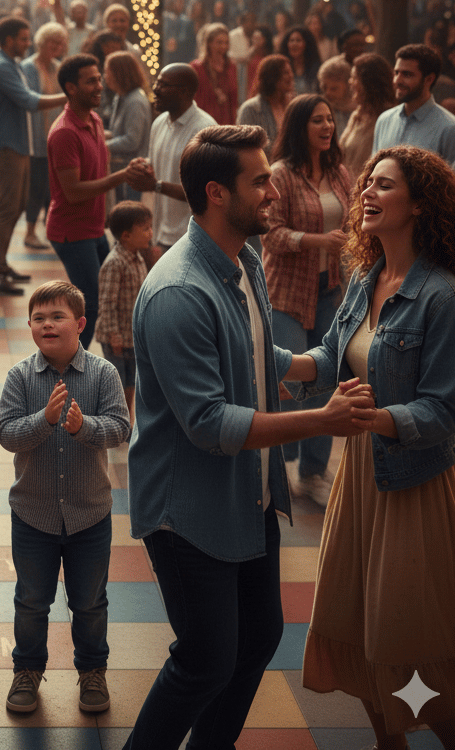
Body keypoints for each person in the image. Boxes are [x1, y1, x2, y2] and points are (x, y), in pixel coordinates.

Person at [122, 123, 376, 750]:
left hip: (248, 492)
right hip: (188, 509)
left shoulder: (245, 259)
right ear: (215, 193)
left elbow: (255, 353)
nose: (271, 192)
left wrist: (313, 363)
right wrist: (322, 420)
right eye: (259, 181)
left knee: (259, 639)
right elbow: (210, 423)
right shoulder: (180, 290)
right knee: (205, 660)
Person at [295, 146, 455, 749]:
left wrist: (372, 418)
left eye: (385, 185)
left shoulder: (443, 297)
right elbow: (330, 356)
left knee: (408, 636)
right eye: (367, 182)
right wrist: (265, 354)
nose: (367, 192)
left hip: (415, 483)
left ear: (420, 205)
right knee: (357, 620)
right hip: (363, 475)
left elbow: (444, 411)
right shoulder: (367, 277)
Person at [0, 280, 130, 716]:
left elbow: (120, 428)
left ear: (80, 324)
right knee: (31, 600)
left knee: (90, 602)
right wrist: (44, 420)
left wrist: (81, 428)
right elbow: (6, 434)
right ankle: (28, 670)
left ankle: (92, 671)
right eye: (39, 317)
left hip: (90, 515)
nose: (48, 324)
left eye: (57, 316)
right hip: (33, 515)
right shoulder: (20, 376)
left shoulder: (103, 374)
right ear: (30, 325)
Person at [262, 94, 353, 507]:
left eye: (330, 119)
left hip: (329, 291)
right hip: (286, 293)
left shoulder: (338, 173)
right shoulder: (279, 174)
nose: (327, 126)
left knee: (323, 381)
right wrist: (318, 240)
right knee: (283, 382)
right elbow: (271, 233)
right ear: (301, 126)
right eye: (318, 120)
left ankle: (312, 472)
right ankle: (271, 470)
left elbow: (353, 224)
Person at [46, 54, 134, 346]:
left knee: (104, 298)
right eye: (91, 81)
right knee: (91, 303)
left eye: (99, 79)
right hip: (72, 232)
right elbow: (73, 192)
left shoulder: (94, 119)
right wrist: (122, 177)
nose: (99, 86)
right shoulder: (64, 133)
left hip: (94, 228)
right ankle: (70, 367)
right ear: (71, 88)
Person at [0, 17, 68, 295]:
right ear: (8, 40)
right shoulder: (0, 68)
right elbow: (29, 101)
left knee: (17, 204)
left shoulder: (11, 64)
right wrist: (69, 96)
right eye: (23, 38)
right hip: (7, 145)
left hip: (17, 143)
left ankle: (1, 264)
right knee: (9, 208)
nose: (27, 43)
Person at [126, 63, 216, 257]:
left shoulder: (204, 129)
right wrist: (143, 167)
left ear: (183, 92)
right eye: (157, 83)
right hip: (161, 233)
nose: (156, 90)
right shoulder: (159, 123)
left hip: (191, 237)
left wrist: (156, 185)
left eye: (164, 85)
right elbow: (161, 165)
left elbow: (205, 191)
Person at [372, 42, 455, 163]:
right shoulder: (384, 120)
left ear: (429, 79)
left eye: (407, 74)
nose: (397, 80)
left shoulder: (450, 130)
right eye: (396, 73)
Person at [96, 201, 151, 415]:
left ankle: (126, 420)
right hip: (116, 337)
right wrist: (113, 334)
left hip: (132, 336)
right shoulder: (114, 263)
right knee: (116, 383)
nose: (150, 233)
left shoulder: (137, 258)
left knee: (130, 382)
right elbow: (107, 303)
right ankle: (114, 418)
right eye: (145, 229)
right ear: (126, 236)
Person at [22, 21, 67, 248]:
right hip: (35, 135)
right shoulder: (28, 67)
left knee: (52, 186)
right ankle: (30, 231)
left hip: (54, 134)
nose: (56, 46)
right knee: (36, 186)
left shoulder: (58, 67)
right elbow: (29, 99)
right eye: (52, 41)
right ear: (41, 42)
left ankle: (50, 228)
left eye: (60, 43)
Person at [102, 50, 152, 203]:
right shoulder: (121, 96)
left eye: (107, 72)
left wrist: (102, 146)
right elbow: (118, 133)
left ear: (119, 74)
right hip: (120, 169)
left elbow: (131, 140)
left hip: (132, 172)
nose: (105, 77)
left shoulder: (135, 101)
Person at [338, 52, 394, 180]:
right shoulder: (357, 115)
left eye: (354, 78)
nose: (350, 82)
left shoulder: (387, 118)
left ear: (368, 83)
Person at [235, 54, 294, 153]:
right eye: (285, 73)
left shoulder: (291, 106)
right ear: (272, 77)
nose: (291, 76)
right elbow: (244, 149)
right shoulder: (251, 109)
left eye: (291, 72)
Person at [192, 23, 238, 125]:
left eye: (226, 42)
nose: (224, 46)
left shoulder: (231, 66)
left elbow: (234, 102)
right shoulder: (197, 68)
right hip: (203, 125)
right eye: (219, 42)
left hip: (226, 125)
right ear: (209, 43)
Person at [278, 25, 322, 95]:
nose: (294, 44)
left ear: (306, 44)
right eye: (291, 40)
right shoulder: (280, 69)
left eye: (298, 40)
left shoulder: (317, 69)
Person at [317, 56, 355, 135]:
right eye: (324, 88)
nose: (328, 93)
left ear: (347, 87)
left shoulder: (358, 113)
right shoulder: (319, 111)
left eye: (334, 89)